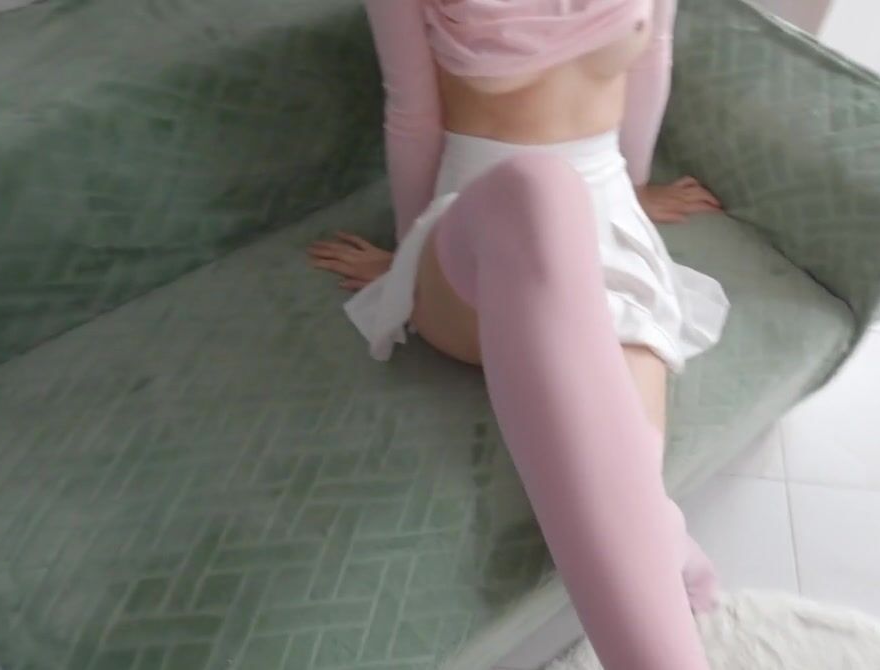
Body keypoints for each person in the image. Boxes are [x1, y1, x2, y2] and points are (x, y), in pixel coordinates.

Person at [310, 1, 730, 667]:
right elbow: (412, 114)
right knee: (542, 190)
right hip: (476, 233)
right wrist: (406, 261)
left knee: (627, 466)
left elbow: (653, 57)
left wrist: (637, 186)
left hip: (609, 224)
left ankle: (659, 530)